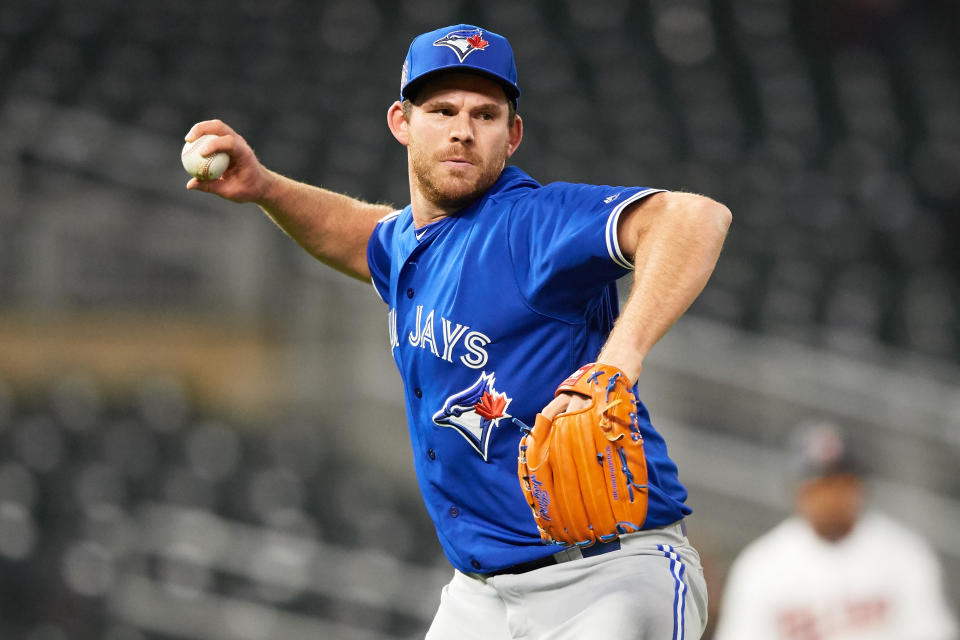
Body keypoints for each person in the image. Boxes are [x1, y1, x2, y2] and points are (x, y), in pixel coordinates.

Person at [184, 24, 731, 640]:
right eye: (441, 110)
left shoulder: (530, 225)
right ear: (401, 121)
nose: (462, 130)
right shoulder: (413, 245)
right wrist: (266, 188)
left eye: (485, 114)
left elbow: (694, 217)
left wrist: (619, 360)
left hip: (607, 580)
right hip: (481, 596)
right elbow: (364, 237)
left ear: (513, 134)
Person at [714, 422, 959, 640]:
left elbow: (932, 632)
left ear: (859, 487)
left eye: (838, 485)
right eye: (819, 487)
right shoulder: (761, 565)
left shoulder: (905, 553)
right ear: (797, 493)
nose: (829, 498)